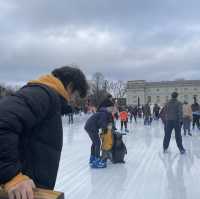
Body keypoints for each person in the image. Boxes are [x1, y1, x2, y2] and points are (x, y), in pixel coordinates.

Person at [0, 66, 88, 199]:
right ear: (70, 86)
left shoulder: (47, 97)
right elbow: (3, 121)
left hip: (28, 190)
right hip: (17, 191)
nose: (73, 100)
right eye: (75, 95)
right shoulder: (43, 94)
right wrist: (12, 176)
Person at [84, 99, 114, 168]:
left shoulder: (103, 112)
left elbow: (101, 123)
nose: (112, 109)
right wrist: (107, 129)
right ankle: (96, 161)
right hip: (91, 127)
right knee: (97, 143)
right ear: (107, 107)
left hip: (89, 126)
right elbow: (102, 124)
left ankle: (92, 158)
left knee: (94, 143)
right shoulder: (104, 113)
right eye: (111, 108)